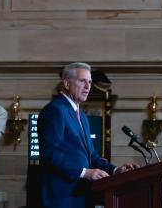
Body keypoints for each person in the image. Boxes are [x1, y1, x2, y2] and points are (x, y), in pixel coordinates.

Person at [37, 62, 138, 208]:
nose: (88, 86)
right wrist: (85, 172)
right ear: (66, 83)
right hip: (61, 198)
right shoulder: (55, 110)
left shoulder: (82, 116)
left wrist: (115, 170)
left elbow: (91, 156)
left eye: (90, 82)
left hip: (81, 196)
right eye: (82, 81)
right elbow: (49, 154)